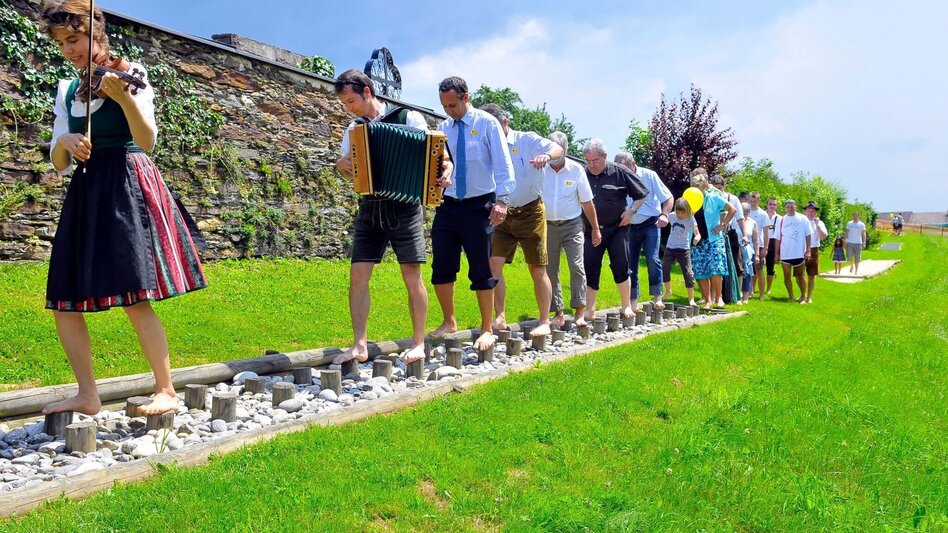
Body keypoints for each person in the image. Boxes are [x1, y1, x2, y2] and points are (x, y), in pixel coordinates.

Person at [40, 0, 207, 416]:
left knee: (135, 294)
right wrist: (63, 143)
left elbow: (146, 140)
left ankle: (166, 389)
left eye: (75, 39)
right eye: (62, 43)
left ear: (97, 33)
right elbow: (58, 164)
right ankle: (87, 394)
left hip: (126, 182)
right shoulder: (67, 89)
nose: (69, 50)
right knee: (64, 297)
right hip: (85, 189)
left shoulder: (131, 72)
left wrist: (123, 97)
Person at [332, 69, 452, 365]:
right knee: (358, 275)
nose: (349, 108)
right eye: (345, 103)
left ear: (367, 92)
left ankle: (419, 343)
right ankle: (359, 344)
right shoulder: (354, 129)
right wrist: (341, 165)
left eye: (351, 101)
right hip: (370, 207)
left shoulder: (409, 119)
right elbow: (344, 164)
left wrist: (445, 169)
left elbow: (440, 158)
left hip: (406, 206)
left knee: (412, 275)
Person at [429, 77, 515, 350]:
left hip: (480, 205)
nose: (449, 111)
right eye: (444, 106)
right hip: (448, 205)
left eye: (453, 104)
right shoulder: (442, 128)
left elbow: (503, 166)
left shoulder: (487, 124)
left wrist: (502, 201)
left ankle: (487, 328)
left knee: (481, 266)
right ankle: (449, 321)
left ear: (466, 97)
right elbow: (438, 165)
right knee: (441, 264)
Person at [478, 104, 563, 338]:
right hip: (501, 212)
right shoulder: (488, 145)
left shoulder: (528, 140)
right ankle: (500, 317)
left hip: (530, 211)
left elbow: (557, 148)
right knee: (493, 265)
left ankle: (545, 320)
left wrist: (547, 155)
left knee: (537, 268)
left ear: (505, 123)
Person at [582, 140, 648, 319]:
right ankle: (590, 309)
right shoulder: (582, 173)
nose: (591, 165)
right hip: (590, 229)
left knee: (621, 265)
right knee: (590, 266)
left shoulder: (620, 171)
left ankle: (626, 305)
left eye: (595, 161)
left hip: (617, 229)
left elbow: (642, 193)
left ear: (605, 157)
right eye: (588, 161)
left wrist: (631, 212)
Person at [541, 131, 601, 327]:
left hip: (572, 225)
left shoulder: (576, 170)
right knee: (550, 270)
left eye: (556, 153)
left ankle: (579, 312)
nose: (552, 157)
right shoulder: (541, 169)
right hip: (548, 225)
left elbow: (587, 202)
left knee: (577, 266)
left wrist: (595, 229)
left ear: (565, 151)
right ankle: (557, 312)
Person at [614, 151, 673, 311]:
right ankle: (632, 301)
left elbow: (668, 198)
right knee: (630, 263)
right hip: (629, 226)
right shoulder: (617, 177)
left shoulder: (649, 175)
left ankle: (657, 297)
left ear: (633, 165)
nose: (622, 173)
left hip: (650, 223)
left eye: (624, 169)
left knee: (652, 260)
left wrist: (664, 215)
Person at [688, 170, 736, 309]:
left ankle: (719, 297)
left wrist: (723, 225)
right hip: (697, 240)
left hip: (714, 238)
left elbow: (732, 209)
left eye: (698, 188)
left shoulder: (714, 197)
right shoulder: (690, 200)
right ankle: (708, 300)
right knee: (701, 270)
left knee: (716, 269)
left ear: (704, 187)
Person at [710, 175, 743, 304]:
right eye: (715, 187)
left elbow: (739, 217)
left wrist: (744, 234)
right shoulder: (710, 198)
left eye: (720, 187)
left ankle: (737, 294)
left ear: (724, 186)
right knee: (717, 266)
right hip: (714, 233)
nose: (718, 190)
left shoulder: (732, 199)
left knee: (735, 264)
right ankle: (715, 296)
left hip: (729, 233)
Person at [661, 198, 700, 306]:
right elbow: (663, 221)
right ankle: (668, 291)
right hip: (671, 247)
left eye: (682, 213)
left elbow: (698, 233)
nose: (680, 215)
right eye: (678, 212)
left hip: (684, 249)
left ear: (687, 211)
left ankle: (691, 299)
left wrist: (696, 237)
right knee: (665, 267)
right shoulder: (672, 216)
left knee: (688, 273)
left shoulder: (691, 218)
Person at [773, 199, 813, 303]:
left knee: (800, 275)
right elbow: (777, 238)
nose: (790, 209)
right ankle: (791, 296)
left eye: (792, 206)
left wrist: (808, 250)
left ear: (796, 206)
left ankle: (803, 296)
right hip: (785, 253)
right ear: (785, 208)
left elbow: (808, 235)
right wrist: (776, 254)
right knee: (787, 276)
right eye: (788, 207)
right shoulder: (781, 220)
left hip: (799, 252)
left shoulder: (803, 218)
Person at [747, 192, 771, 300]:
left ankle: (761, 294)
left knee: (759, 270)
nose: (752, 203)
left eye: (754, 201)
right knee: (747, 270)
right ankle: (749, 292)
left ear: (758, 201)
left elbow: (766, 233)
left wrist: (765, 248)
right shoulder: (745, 212)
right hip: (747, 244)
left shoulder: (763, 214)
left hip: (759, 245)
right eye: (751, 201)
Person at [803, 201, 828, 303]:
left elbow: (822, 237)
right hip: (801, 250)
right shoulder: (801, 221)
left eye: (813, 211)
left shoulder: (820, 223)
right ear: (805, 212)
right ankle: (803, 294)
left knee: (811, 275)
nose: (811, 213)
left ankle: (809, 297)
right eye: (809, 210)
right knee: (800, 274)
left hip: (813, 250)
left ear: (816, 212)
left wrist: (818, 226)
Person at [739, 202, 759, 304]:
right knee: (738, 272)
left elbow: (756, 240)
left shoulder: (753, 222)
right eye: (743, 212)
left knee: (747, 273)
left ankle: (746, 297)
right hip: (736, 249)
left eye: (746, 213)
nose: (744, 214)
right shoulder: (735, 220)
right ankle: (737, 295)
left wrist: (757, 254)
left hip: (748, 251)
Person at [763, 196, 782, 296]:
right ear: (767, 205)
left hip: (773, 242)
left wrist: (778, 252)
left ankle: (768, 289)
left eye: (774, 204)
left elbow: (780, 234)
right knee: (758, 266)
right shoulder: (762, 214)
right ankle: (753, 288)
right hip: (762, 241)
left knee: (770, 267)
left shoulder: (779, 218)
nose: (772, 206)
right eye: (770, 204)